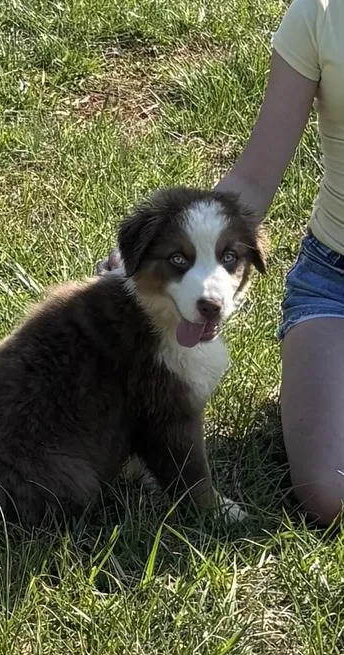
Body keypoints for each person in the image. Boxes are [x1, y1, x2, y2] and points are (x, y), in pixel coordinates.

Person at [99, 0, 344, 525]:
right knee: (330, 494)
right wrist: (147, 246)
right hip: (334, 280)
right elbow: (253, 180)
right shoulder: (321, 13)